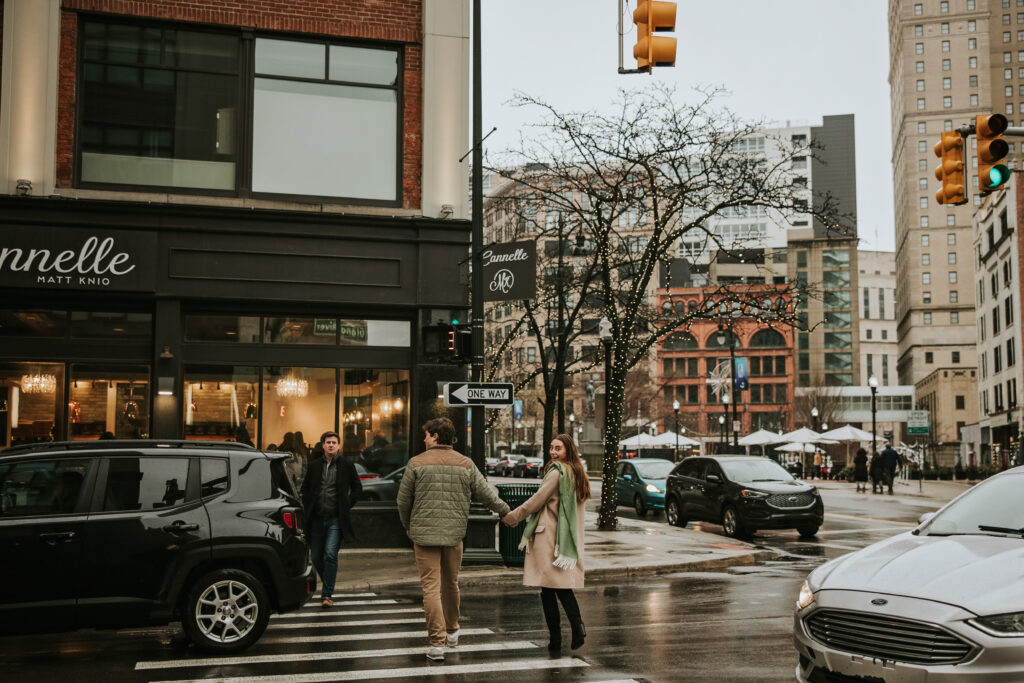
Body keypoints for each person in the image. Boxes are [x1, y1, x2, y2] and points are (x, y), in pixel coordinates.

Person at [396, 417, 510, 662]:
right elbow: (487, 495)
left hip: (423, 535)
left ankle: (436, 644)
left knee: (431, 589)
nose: (424, 439)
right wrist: (506, 511)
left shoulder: (416, 463)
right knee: (451, 584)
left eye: (427, 435)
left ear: (435, 436)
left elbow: (403, 501)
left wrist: (407, 525)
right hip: (454, 534)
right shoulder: (466, 464)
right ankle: (453, 631)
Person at [503, 434, 591, 653]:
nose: (553, 452)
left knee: (549, 589)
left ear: (568, 451)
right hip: (563, 538)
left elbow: (536, 501)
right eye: (552, 448)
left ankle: (559, 638)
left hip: (550, 537)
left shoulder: (557, 472)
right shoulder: (577, 473)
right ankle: (573, 629)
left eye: (558, 448)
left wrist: (514, 516)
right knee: (558, 587)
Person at [300, 431, 362, 608]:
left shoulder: (347, 465)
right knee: (317, 556)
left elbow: (357, 489)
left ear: (339, 445)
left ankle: (327, 594)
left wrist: (345, 506)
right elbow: (305, 488)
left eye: (334, 442)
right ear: (323, 445)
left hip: (335, 519)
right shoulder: (313, 466)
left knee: (330, 554)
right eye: (328, 442)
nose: (331, 445)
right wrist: (308, 503)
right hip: (316, 519)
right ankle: (328, 580)